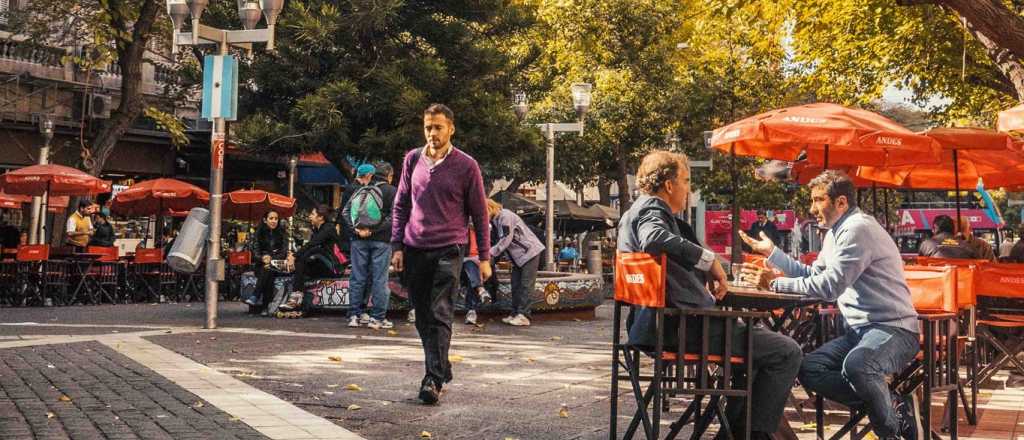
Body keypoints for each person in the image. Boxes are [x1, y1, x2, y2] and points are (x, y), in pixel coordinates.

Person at [619, 150, 802, 440]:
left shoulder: (633, 212)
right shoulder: (652, 210)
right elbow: (653, 237)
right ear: (669, 185)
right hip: (679, 326)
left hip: (655, 325)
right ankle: (754, 435)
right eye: (686, 180)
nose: (688, 189)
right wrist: (709, 260)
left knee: (758, 354)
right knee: (786, 351)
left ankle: (735, 434)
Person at [740, 170, 922, 440]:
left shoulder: (858, 229)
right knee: (809, 368)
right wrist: (772, 254)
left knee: (858, 366)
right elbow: (813, 276)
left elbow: (829, 287)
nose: (812, 208)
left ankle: (892, 433)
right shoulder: (835, 233)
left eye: (818, 200)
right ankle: (892, 405)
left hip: (894, 330)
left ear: (841, 203)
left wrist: (774, 284)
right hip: (858, 333)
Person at [391, 103, 491, 405]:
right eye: (428, 127)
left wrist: (484, 256)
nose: (432, 133)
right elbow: (400, 206)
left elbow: (479, 212)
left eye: (438, 127)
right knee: (422, 316)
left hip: (450, 246)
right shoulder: (412, 160)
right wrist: (396, 246)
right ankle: (442, 366)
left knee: (440, 311)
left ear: (451, 128)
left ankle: (432, 379)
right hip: (415, 247)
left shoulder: (466, 165)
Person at [343, 162, 398, 330]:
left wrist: (358, 230)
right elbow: (393, 218)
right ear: (389, 175)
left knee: (357, 277)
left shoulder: (361, 189)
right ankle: (377, 317)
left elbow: (345, 212)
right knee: (380, 278)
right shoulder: (391, 191)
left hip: (358, 240)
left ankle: (354, 315)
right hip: (381, 241)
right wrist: (373, 231)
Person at [487, 199, 543, 326]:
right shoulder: (496, 220)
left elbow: (506, 239)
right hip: (519, 257)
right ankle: (515, 313)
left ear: (489, 209)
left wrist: (490, 253)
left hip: (530, 252)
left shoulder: (505, 216)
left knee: (525, 285)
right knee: (516, 284)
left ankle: (524, 315)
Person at [280, 205, 342, 311]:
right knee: (300, 265)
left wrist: (295, 256)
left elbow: (313, 244)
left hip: (332, 266)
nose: (309, 216)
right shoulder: (316, 229)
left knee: (312, 251)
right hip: (320, 264)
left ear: (320, 217)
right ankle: (299, 301)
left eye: (312, 214)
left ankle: (296, 299)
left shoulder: (328, 228)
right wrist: (294, 257)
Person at [245, 210, 289, 313]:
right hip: (260, 265)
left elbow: (284, 252)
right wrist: (262, 258)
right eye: (271, 218)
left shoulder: (282, 234)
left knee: (269, 268)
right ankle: (265, 307)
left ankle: (255, 296)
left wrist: (272, 259)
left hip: (277, 264)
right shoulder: (258, 233)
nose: (274, 221)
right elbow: (255, 251)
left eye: (276, 219)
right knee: (268, 270)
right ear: (265, 220)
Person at [461, 223, 491, 325]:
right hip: (462, 263)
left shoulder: (484, 231)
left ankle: (471, 312)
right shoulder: (462, 230)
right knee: (470, 265)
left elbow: (489, 253)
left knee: (472, 277)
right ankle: (481, 290)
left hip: (478, 265)